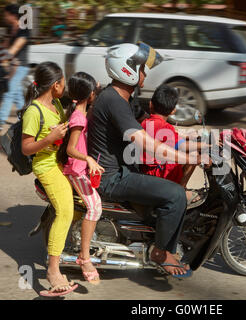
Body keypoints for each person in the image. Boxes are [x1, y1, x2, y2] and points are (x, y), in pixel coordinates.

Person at [87, 43, 203, 278]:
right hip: (112, 178)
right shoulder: (114, 101)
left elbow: (157, 132)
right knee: (176, 194)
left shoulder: (124, 98)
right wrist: (188, 157)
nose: (145, 74)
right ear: (127, 70)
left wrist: (201, 143)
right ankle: (160, 253)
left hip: (123, 168)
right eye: (142, 69)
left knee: (176, 190)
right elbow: (147, 142)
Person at [21, 61, 77, 297]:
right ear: (55, 85)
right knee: (66, 211)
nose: (64, 87)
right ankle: (53, 270)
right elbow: (26, 148)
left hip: (58, 160)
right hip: (45, 165)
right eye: (63, 83)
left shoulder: (54, 103)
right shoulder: (34, 111)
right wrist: (50, 138)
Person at [57, 72, 103, 284]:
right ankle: (85, 257)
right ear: (90, 93)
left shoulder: (79, 111)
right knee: (95, 208)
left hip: (80, 168)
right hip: (76, 169)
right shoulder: (78, 117)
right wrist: (89, 159)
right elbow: (71, 149)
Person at [140, 84, 206, 207]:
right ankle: (181, 191)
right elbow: (181, 146)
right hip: (157, 175)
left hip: (145, 172)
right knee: (193, 154)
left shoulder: (145, 122)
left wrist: (188, 138)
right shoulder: (165, 127)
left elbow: (173, 139)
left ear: (150, 104)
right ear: (173, 111)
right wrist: (205, 144)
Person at [0, 4, 31, 128]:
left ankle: (0, 121)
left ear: (13, 15)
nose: (4, 17)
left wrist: (2, 58)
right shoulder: (11, 30)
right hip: (13, 67)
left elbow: (14, 48)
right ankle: (25, 118)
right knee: (17, 95)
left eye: (6, 14)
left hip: (21, 66)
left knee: (8, 92)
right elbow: (5, 47)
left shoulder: (24, 30)